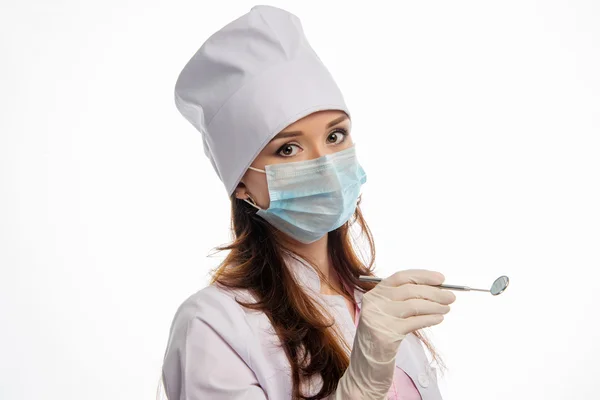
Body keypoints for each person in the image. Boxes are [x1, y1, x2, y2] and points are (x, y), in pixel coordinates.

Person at [160, 5, 456, 400]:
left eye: (335, 136)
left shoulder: (370, 301)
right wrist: (360, 388)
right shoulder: (213, 325)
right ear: (241, 184)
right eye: (288, 149)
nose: (325, 165)